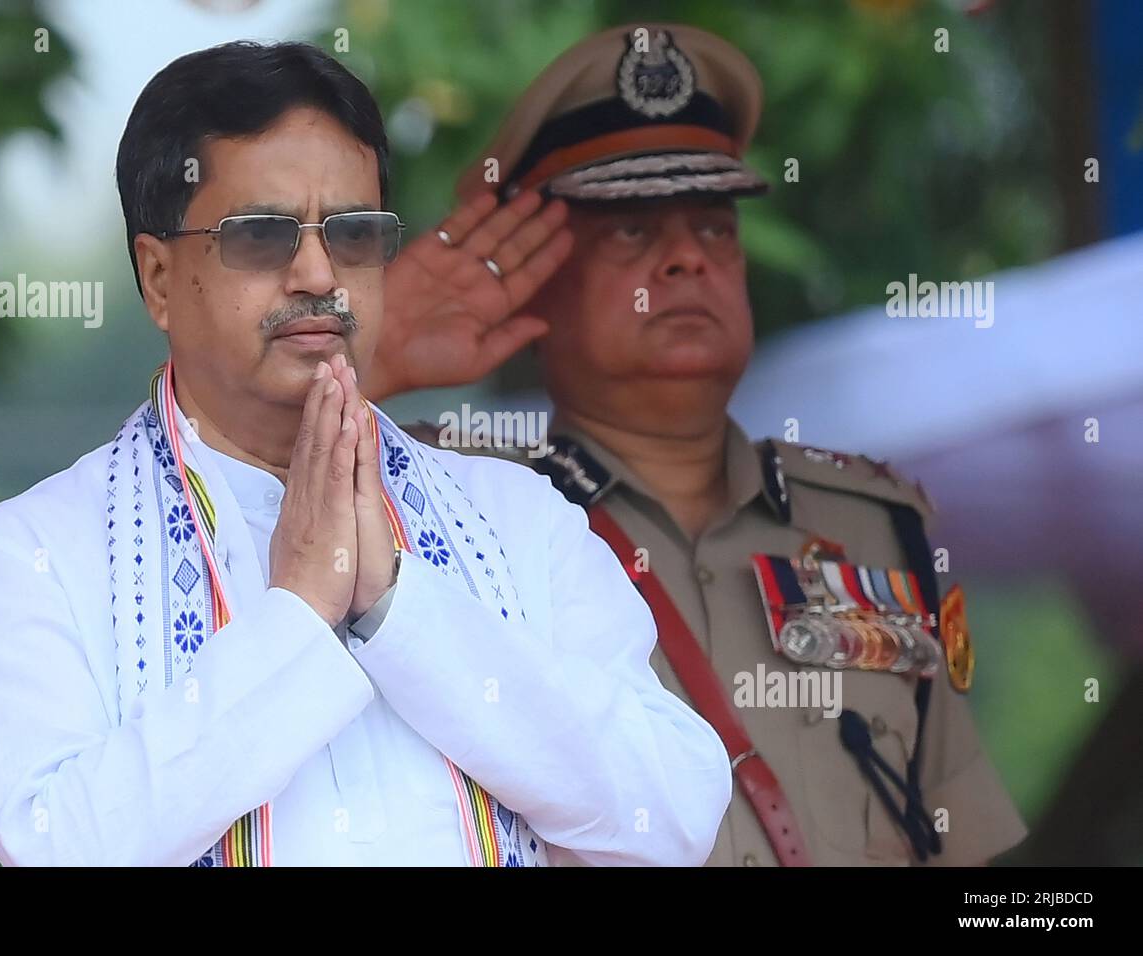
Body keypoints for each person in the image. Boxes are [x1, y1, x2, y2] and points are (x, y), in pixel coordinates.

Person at [0, 40, 731, 867]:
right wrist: (301, 616)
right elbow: (63, 851)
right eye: (261, 236)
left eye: (353, 233)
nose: (318, 270)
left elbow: (673, 815)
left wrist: (398, 607)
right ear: (160, 278)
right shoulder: (29, 556)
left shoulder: (521, 518)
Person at [371, 23, 1027, 866]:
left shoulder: (876, 528)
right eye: (633, 232)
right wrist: (373, 351)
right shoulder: (442, 505)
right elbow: (208, 487)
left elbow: (968, 850)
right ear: (531, 276)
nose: (687, 258)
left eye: (715, 228)